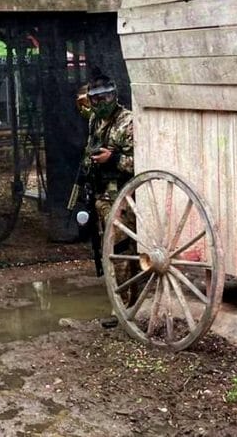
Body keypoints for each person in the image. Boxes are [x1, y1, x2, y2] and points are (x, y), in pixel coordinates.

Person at [82, 73, 137, 328]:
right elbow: (89, 151)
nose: (101, 102)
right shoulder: (94, 120)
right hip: (101, 196)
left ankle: (123, 310)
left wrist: (112, 159)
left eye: (105, 97)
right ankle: (123, 303)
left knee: (121, 251)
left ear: (114, 95)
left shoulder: (128, 121)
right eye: (96, 98)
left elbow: (139, 162)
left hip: (123, 198)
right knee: (108, 252)